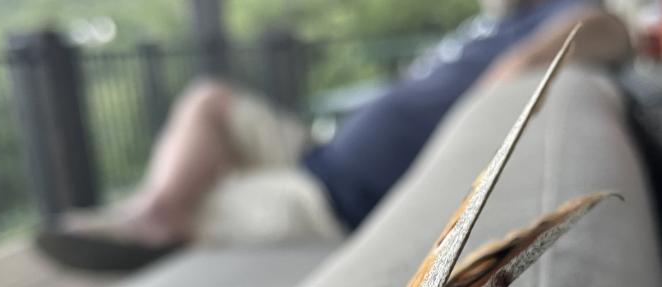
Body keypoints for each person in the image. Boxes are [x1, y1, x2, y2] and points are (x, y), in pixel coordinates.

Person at [38, 0, 631, 270]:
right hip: (320, 149)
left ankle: (157, 223)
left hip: (334, 197)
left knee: (205, 201)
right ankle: (154, 206)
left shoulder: (564, 14)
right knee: (209, 98)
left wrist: (511, 73)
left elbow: (606, 31)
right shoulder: (486, 25)